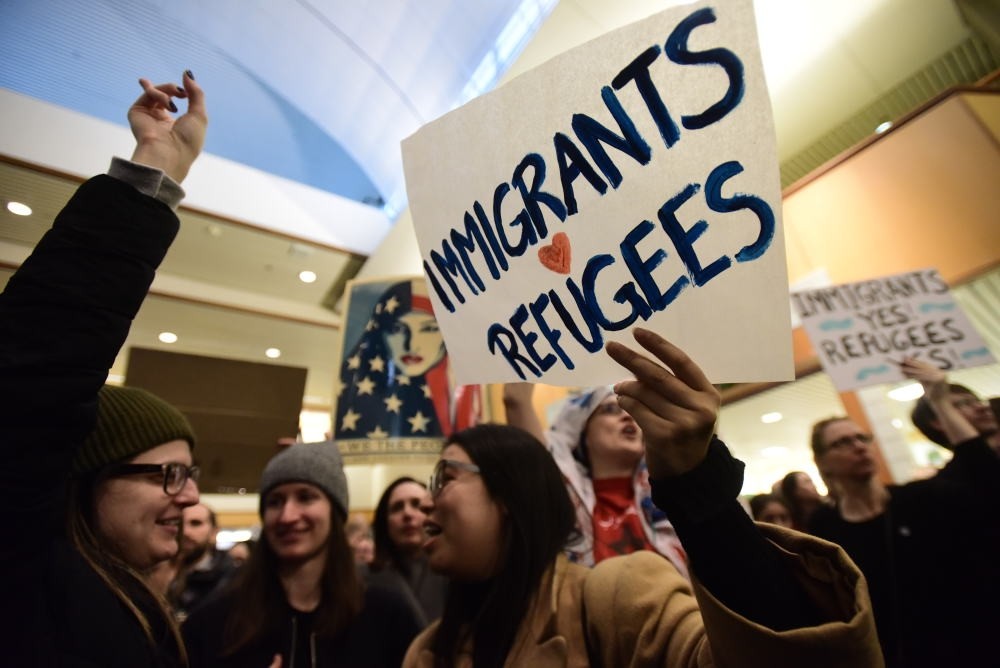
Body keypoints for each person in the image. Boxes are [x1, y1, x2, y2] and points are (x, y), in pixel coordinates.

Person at [405, 329, 881, 668]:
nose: (629, 417)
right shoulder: (427, 651)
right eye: (611, 409)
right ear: (579, 434)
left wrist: (697, 482)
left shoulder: (631, 573)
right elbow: (518, 421)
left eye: (443, 479)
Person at [1, 71, 205, 666]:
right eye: (168, 474)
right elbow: (40, 371)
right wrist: (153, 169)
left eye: (188, 474)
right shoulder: (28, 581)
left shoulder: (136, 602)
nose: (191, 498)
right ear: (86, 479)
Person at [808, 357, 1000, 668]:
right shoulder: (824, 528)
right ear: (822, 462)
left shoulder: (922, 498)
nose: (858, 446)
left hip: (973, 646)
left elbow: (989, 485)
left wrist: (939, 399)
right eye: (843, 443)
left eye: (862, 438)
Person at [182, 440, 423, 667]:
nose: (288, 516)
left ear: (335, 512)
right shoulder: (216, 622)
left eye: (305, 497)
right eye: (275, 502)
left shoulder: (386, 613)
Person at [503, 382, 687, 574]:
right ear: (583, 433)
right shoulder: (562, 498)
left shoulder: (672, 495)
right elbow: (516, 401)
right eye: (609, 409)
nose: (627, 416)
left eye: (633, 411)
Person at [334, 279, 479, 442]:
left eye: (429, 328)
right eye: (398, 329)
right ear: (380, 334)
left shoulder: (466, 388)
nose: (411, 345)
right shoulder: (362, 399)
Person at [370, 477, 448, 623]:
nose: (407, 513)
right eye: (397, 507)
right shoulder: (365, 580)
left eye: (417, 504)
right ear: (384, 522)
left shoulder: (454, 574)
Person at [170, 503, 237, 619]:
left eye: (195, 523)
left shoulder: (231, 580)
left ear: (214, 532)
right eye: (179, 523)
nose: (185, 532)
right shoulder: (156, 573)